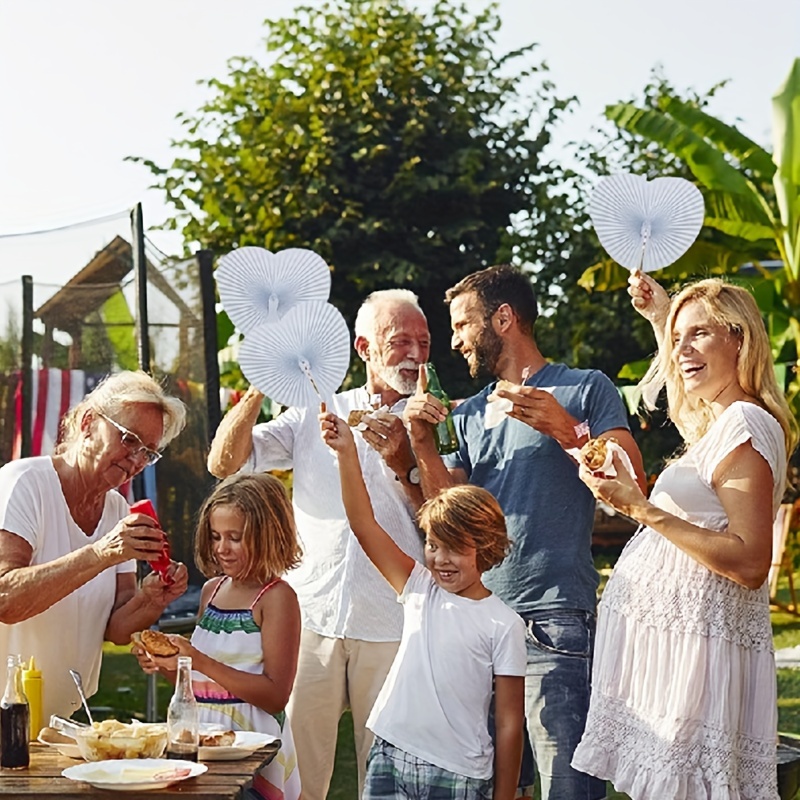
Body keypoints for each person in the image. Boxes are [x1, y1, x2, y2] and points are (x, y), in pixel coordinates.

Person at [403, 264, 646, 800]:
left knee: (568, 788)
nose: (455, 339)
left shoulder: (586, 389)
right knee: (492, 787)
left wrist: (568, 429)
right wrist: (421, 444)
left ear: (504, 318)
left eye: (464, 324)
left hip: (554, 619)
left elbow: (634, 484)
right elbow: (448, 514)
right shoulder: (467, 415)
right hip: (481, 621)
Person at [570, 273, 797, 799]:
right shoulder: (721, 424)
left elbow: (748, 563)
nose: (682, 350)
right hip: (676, 661)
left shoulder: (744, 422)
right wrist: (661, 319)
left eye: (698, 334)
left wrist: (641, 508)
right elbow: (687, 401)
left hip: (697, 668)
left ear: (739, 338)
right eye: (678, 339)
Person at [207, 288, 429, 799]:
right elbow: (224, 463)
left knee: (387, 777)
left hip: (395, 620)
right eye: (400, 341)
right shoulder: (314, 409)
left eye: (424, 340)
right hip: (312, 619)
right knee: (300, 777)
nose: (415, 353)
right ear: (364, 347)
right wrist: (261, 386)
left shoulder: (436, 418)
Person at [320, 406, 526, 800]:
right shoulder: (418, 586)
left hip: (459, 773)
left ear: (485, 549)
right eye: (433, 545)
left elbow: (509, 722)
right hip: (390, 754)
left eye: (455, 549)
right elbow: (364, 524)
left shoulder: (504, 624)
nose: (440, 559)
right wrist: (346, 454)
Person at [0, 370, 188, 723]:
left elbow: (117, 630)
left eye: (148, 452)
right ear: (89, 423)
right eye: (129, 440)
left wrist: (151, 599)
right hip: (6, 712)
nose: (136, 460)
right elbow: (5, 599)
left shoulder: (117, 509)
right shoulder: (24, 483)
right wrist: (102, 553)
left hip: (65, 717)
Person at [134, 472, 302, 799]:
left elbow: (275, 695)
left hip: (251, 752)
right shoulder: (212, 591)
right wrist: (169, 663)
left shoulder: (276, 598)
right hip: (201, 744)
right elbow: (200, 684)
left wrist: (197, 659)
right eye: (215, 536)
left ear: (267, 534)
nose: (221, 549)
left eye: (234, 537)